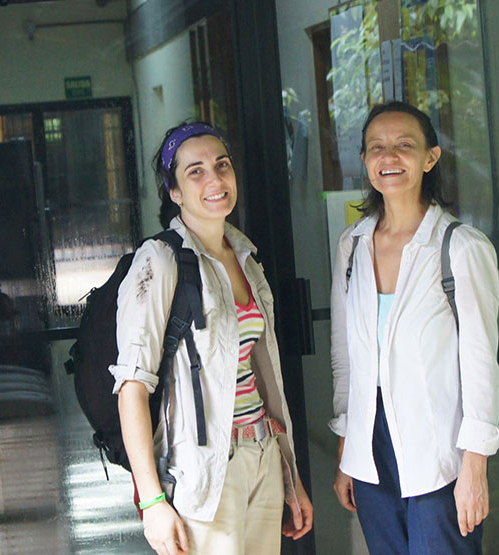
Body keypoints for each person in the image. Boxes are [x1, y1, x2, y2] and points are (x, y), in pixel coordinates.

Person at [110, 122, 314, 555]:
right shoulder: (161, 261)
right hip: (203, 473)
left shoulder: (246, 257)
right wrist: (152, 501)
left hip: (262, 454)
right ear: (174, 191)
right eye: (195, 171)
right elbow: (132, 388)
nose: (215, 180)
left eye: (222, 165)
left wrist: (288, 472)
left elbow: (260, 377)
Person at [328, 102, 499, 554]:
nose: (390, 157)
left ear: (430, 158)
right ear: (365, 161)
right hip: (372, 450)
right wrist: (349, 453)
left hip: (440, 454)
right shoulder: (352, 245)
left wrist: (475, 469)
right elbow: (346, 356)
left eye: (404, 146)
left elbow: (482, 362)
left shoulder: (460, 247)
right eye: (377, 148)